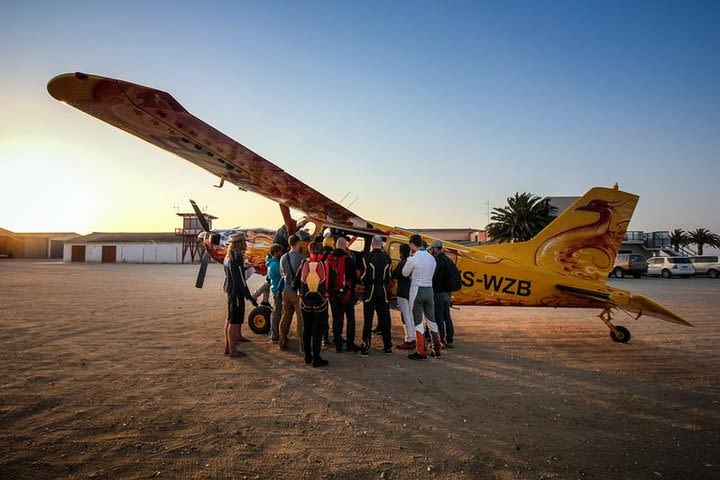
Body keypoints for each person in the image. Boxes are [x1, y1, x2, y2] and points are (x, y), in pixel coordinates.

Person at [402, 234, 440, 360]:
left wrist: (409, 258)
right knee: (431, 320)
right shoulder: (431, 258)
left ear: (413, 244)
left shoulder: (413, 258)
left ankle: (421, 351)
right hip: (429, 290)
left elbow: (404, 273)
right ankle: (436, 349)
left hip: (416, 290)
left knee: (418, 321)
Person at [292, 241, 330, 367]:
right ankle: (316, 358)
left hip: (305, 303)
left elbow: (295, 283)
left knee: (307, 329)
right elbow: (330, 282)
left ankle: (307, 356)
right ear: (321, 251)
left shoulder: (304, 263)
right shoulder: (323, 264)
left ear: (309, 250)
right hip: (320, 304)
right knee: (317, 331)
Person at [223, 233, 258, 358]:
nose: (246, 244)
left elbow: (234, 273)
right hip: (236, 292)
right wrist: (249, 296)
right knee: (234, 320)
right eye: (244, 242)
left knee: (230, 318)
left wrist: (243, 268)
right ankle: (232, 349)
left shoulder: (229, 256)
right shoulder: (236, 257)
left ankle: (231, 343)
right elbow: (240, 281)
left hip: (230, 289)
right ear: (239, 243)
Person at [359, 235, 392, 356]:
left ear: (372, 244)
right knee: (384, 318)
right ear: (381, 244)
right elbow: (389, 276)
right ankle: (388, 346)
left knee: (368, 319)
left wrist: (366, 285)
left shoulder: (367, 257)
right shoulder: (387, 258)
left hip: (370, 290)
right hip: (382, 290)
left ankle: (365, 347)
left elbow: (363, 276)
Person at [326, 236, 358, 353]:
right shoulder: (349, 259)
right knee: (350, 319)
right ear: (345, 246)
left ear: (335, 245)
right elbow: (354, 278)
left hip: (333, 295)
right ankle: (350, 345)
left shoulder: (329, 259)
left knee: (336, 319)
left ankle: (338, 345)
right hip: (347, 294)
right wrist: (353, 293)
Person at [279, 234, 305, 351]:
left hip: (286, 289)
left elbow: (282, 273)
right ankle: (302, 346)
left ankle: (282, 342)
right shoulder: (301, 258)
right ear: (298, 243)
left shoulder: (283, 257)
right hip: (297, 292)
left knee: (286, 317)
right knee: (301, 319)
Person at [428, 240, 455, 349]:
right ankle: (450, 339)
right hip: (447, 293)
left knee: (438, 317)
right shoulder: (447, 259)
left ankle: (441, 340)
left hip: (438, 293)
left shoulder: (437, 260)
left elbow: (434, 278)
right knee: (447, 316)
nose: (431, 251)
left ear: (436, 249)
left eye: (432, 249)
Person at [392, 243, 415, 350]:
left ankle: (409, 340)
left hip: (402, 292)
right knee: (410, 316)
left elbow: (394, 274)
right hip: (412, 292)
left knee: (405, 317)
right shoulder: (413, 262)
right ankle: (413, 337)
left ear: (401, 253)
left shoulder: (402, 263)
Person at [266, 243, 284, 343]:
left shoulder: (272, 263)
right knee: (276, 312)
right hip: (277, 290)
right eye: (280, 252)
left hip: (276, 289)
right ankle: (274, 334)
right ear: (276, 253)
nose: (282, 253)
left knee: (277, 312)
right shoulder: (275, 264)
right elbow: (283, 274)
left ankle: (275, 333)